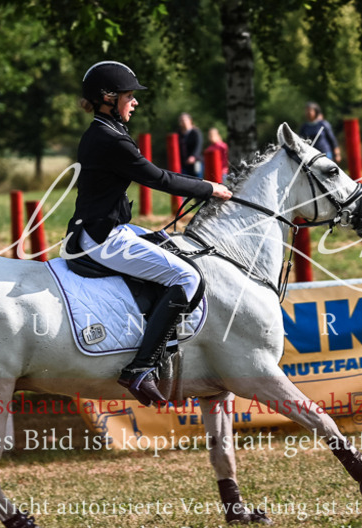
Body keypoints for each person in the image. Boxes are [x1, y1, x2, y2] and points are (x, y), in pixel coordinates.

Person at [68, 61, 232, 406]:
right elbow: (158, 178)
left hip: (105, 227)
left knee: (174, 247)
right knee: (187, 278)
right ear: (108, 98)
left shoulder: (106, 130)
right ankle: (140, 369)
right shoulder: (111, 139)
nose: (135, 102)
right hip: (104, 237)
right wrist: (208, 188)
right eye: (129, 95)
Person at [178, 113, 203, 177]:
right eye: (182, 120)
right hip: (184, 163)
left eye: (185, 120)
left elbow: (199, 145)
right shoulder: (179, 133)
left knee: (198, 180)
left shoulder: (196, 132)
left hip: (196, 162)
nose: (184, 122)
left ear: (190, 120)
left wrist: (194, 156)